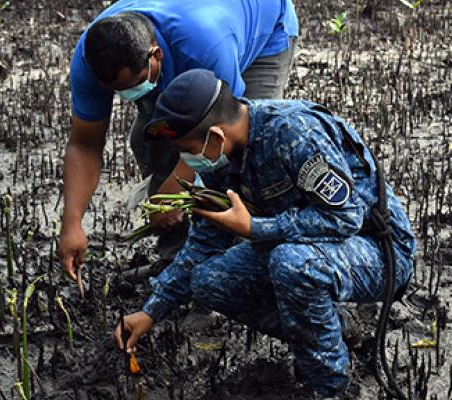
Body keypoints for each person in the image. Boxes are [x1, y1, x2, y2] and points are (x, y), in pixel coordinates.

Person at [114, 69, 417, 397]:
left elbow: (345, 217)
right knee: (208, 281)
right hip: (308, 249)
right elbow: (203, 242)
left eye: (186, 149)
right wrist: (151, 310)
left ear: (215, 136)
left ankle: (331, 388)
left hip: (379, 252)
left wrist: (254, 228)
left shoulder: (293, 133)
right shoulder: (220, 161)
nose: (187, 160)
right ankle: (335, 330)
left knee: (293, 265)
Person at [60, 0, 299, 282]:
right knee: (149, 140)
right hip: (190, 30)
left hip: (262, 29)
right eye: (116, 91)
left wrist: (174, 193)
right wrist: (71, 224)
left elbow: (219, 137)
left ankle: (231, 273)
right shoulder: (91, 58)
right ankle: (176, 263)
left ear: (155, 55)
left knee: (240, 159)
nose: (126, 96)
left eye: (133, 85)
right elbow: (84, 145)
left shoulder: (205, 46)